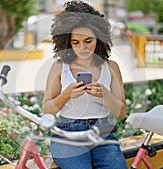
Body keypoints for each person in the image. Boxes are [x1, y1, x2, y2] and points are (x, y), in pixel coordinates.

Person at [42, 1, 128, 168]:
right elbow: (47, 109)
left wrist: (105, 94)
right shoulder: (59, 67)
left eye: (88, 41)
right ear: (67, 42)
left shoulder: (111, 67)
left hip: (102, 133)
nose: (83, 48)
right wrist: (66, 95)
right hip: (68, 134)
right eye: (75, 42)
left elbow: (120, 112)